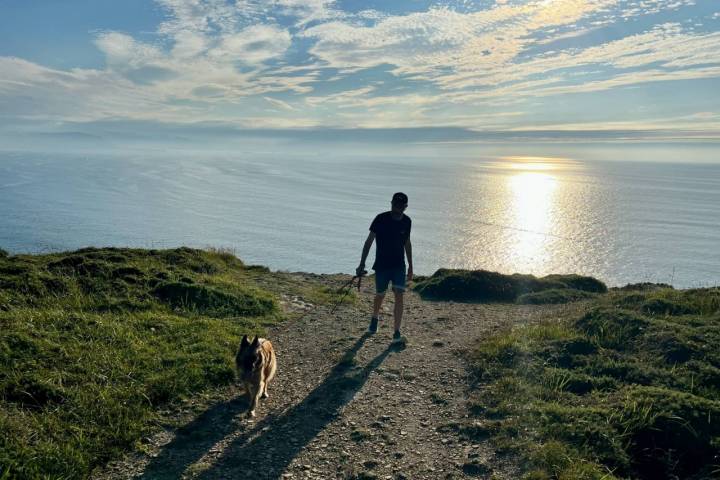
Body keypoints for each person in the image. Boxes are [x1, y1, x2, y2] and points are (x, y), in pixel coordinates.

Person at [356, 192, 413, 343]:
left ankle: (396, 332)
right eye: (395, 204)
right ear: (391, 203)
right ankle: (374, 318)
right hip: (381, 265)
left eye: (400, 205)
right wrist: (362, 263)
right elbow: (368, 242)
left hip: (399, 266)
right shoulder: (380, 219)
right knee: (380, 294)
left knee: (399, 295)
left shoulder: (407, 221)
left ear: (405, 207)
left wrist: (411, 266)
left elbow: (407, 243)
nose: (397, 207)